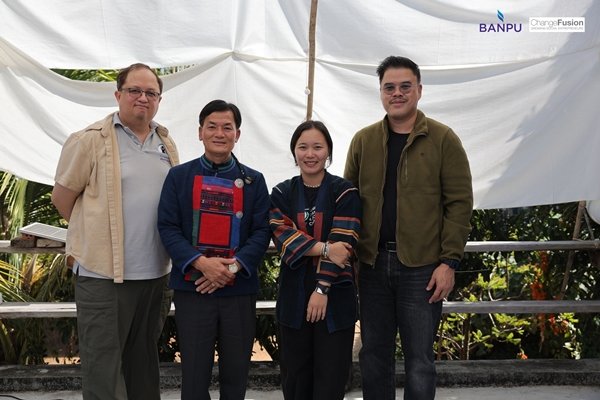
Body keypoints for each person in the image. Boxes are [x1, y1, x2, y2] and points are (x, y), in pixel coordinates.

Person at [344, 56, 473, 400]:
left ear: (419, 90)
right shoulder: (363, 141)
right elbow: (348, 204)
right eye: (389, 87)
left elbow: (459, 204)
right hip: (372, 265)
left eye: (405, 86)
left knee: (420, 360)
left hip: (424, 268)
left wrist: (449, 262)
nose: (397, 93)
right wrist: (351, 256)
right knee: (373, 355)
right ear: (380, 92)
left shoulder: (443, 139)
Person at [51, 63, 179, 399]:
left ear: (159, 100)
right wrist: (94, 235)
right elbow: (62, 199)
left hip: (156, 274)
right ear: (118, 94)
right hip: (104, 276)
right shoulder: (90, 140)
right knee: (103, 369)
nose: (143, 98)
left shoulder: (165, 142)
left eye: (151, 93)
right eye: (134, 90)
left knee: (143, 365)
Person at [157, 99, 270, 400]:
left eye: (227, 127)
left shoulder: (254, 181)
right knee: (194, 373)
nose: (219, 133)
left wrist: (231, 268)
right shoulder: (179, 177)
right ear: (200, 132)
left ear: (237, 134)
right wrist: (201, 263)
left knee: (236, 370)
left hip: (238, 289)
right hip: (193, 289)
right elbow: (167, 226)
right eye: (212, 127)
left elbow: (262, 231)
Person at [269, 120, 361, 400]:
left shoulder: (345, 192)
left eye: (317, 147)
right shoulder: (282, 193)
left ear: (328, 151)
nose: (310, 154)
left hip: (336, 294)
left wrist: (321, 289)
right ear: (294, 152)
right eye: (303, 147)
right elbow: (283, 236)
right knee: (296, 378)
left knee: (331, 378)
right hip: (294, 294)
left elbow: (344, 243)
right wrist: (325, 249)